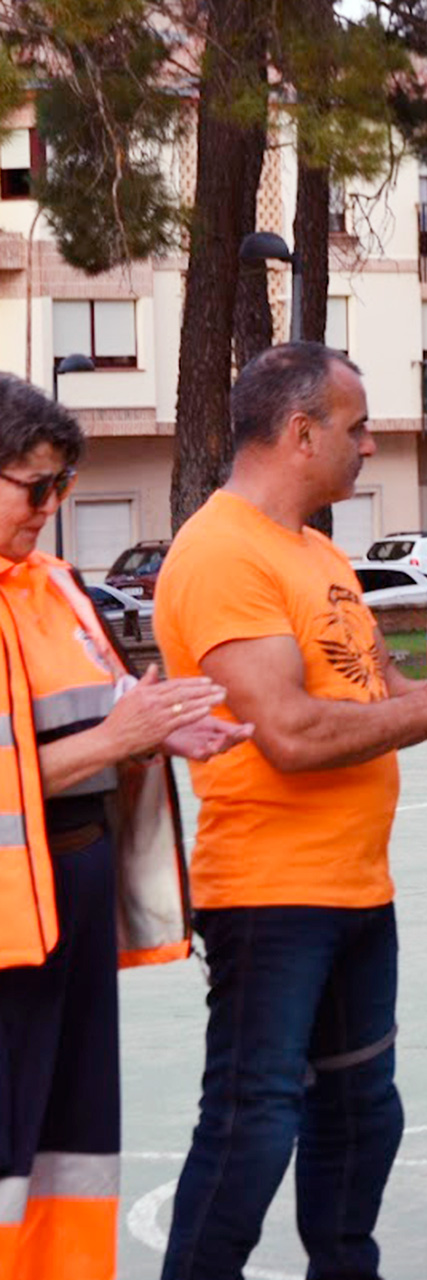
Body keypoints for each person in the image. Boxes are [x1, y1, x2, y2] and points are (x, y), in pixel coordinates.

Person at [156, 343, 427, 1280]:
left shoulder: (320, 553)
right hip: (270, 895)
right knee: (253, 1124)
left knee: (363, 1115)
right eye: (358, 427)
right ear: (301, 434)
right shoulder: (219, 553)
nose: (370, 445)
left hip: (354, 889)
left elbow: (381, 694)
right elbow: (291, 733)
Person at [0, 375, 250, 1280]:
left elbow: (94, 720)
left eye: (62, 485)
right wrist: (117, 737)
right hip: (11, 932)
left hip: (67, 910)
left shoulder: (54, 587)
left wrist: (157, 735)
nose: (52, 507)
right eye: (36, 486)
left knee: (71, 1144)